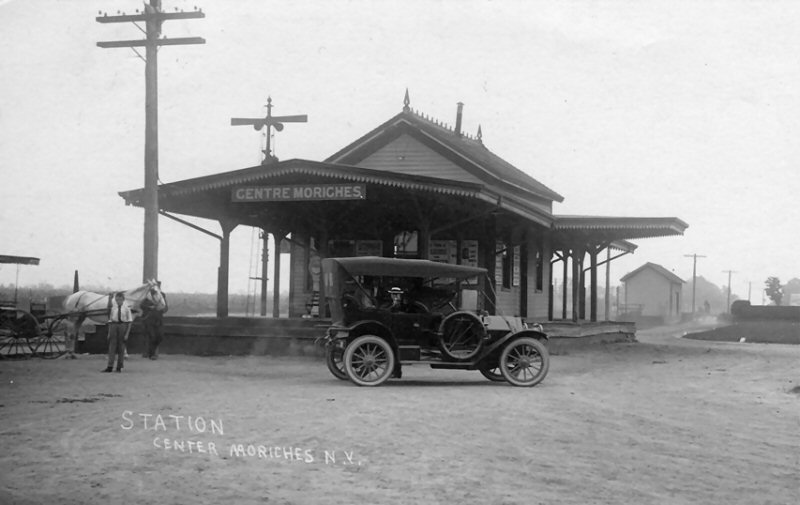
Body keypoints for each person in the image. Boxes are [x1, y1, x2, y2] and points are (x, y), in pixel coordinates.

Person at [104, 292, 132, 373]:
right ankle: (110, 366)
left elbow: (130, 321)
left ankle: (119, 367)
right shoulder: (113, 308)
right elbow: (110, 320)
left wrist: (127, 334)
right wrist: (109, 332)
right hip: (114, 325)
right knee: (112, 346)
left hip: (122, 326)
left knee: (121, 347)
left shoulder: (126, 308)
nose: (118, 301)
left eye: (120, 300)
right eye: (117, 300)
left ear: (123, 300)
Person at [140, 281, 168, 359]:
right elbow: (141, 305)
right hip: (149, 320)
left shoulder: (162, 295)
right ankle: (152, 354)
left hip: (158, 319)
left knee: (160, 336)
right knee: (152, 336)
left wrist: (161, 309)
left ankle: (151, 352)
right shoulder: (147, 296)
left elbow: (166, 308)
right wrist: (149, 307)